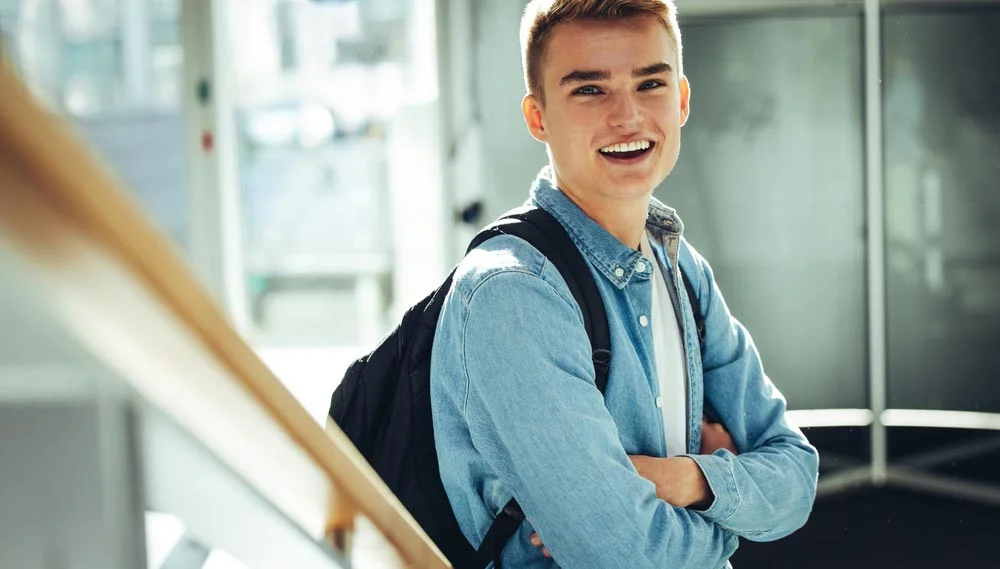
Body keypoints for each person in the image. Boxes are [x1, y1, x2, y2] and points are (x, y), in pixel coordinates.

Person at [429, 0, 819, 567]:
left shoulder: (681, 269)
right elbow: (625, 554)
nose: (628, 116)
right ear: (538, 117)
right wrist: (733, 515)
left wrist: (684, 481)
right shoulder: (512, 295)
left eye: (650, 84)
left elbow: (796, 477)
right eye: (589, 90)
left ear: (681, 100)